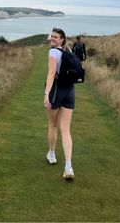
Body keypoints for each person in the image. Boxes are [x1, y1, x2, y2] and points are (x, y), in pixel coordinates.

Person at [44, 27, 75, 180]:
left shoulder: (53, 52)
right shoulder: (68, 50)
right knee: (66, 129)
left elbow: (51, 73)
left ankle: (51, 154)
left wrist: (46, 94)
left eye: (56, 37)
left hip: (56, 90)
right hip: (70, 91)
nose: (52, 39)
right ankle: (68, 166)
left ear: (62, 39)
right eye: (52, 36)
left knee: (53, 124)